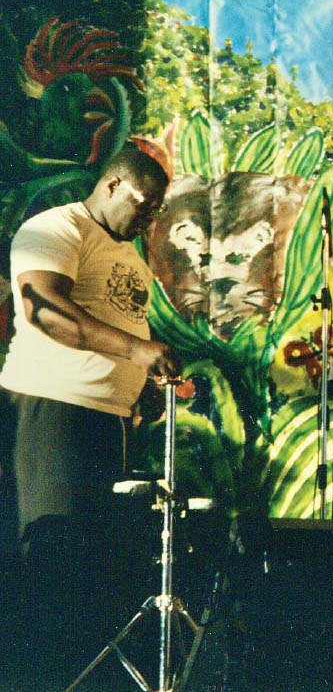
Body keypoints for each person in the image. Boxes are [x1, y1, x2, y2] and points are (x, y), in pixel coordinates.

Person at [1, 144, 180, 672]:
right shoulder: (56, 228)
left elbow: (118, 326)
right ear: (110, 184)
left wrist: (141, 382)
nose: (149, 216)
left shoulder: (128, 255)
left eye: (157, 209)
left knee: (92, 567)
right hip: (51, 413)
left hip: (106, 424)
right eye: (144, 203)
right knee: (52, 562)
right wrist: (137, 352)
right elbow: (46, 311)